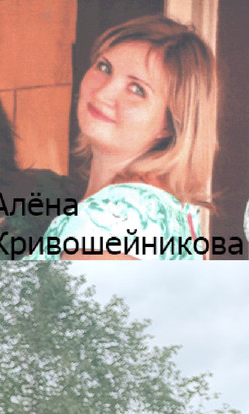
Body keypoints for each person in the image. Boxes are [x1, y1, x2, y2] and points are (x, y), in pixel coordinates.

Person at [42, 16, 217, 260]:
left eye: (137, 89)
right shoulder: (165, 209)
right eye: (104, 67)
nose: (103, 93)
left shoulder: (114, 219)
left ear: (171, 124)